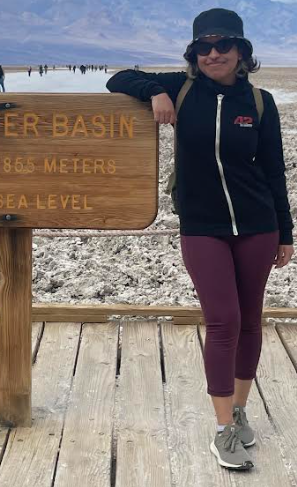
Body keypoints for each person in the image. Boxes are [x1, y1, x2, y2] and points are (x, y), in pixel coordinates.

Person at [107, 8, 294, 471]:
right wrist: (154, 93)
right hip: (202, 226)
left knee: (251, 320)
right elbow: (118, 78)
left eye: (223, 46)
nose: (213, 54)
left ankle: (240, 411)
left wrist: (286, 235)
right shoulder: (182, 88)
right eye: (203, 47)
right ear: (193, 54)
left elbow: (274, 171)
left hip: (257, 224)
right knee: (223, 321)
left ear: (241, 52)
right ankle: (222, 428)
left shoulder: (261, 103)